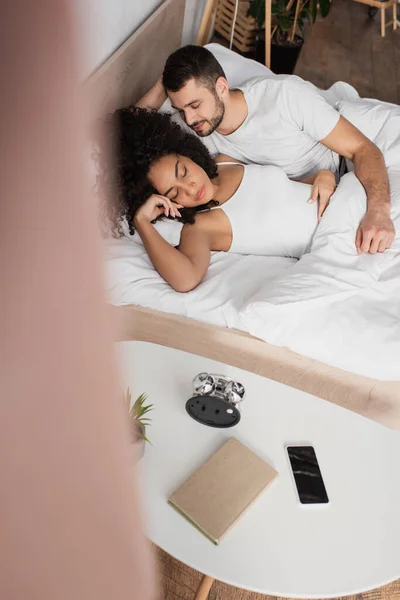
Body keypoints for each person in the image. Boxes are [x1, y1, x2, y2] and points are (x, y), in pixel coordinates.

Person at [137, 45, 395, 255]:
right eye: (181, 109)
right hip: (310, 189)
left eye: (195, 105)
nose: (190, 119)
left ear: (221, 87)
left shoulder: (284, 97)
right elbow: (129, 130)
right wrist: (165, 79)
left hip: (346, 155)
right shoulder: (197, 136)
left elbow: (363, 149)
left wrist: (379, 213)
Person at [101, 108, 336, 292]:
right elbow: (186, 280)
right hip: (336, 238)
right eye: (174, 193)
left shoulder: (225, 161)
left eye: (182, 172)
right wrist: (141, 221)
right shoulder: (201, 226)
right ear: (164, 202)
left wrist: (322, 176)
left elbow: (285, 190)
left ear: (186, 151)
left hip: (344, 196)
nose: (190, 188)